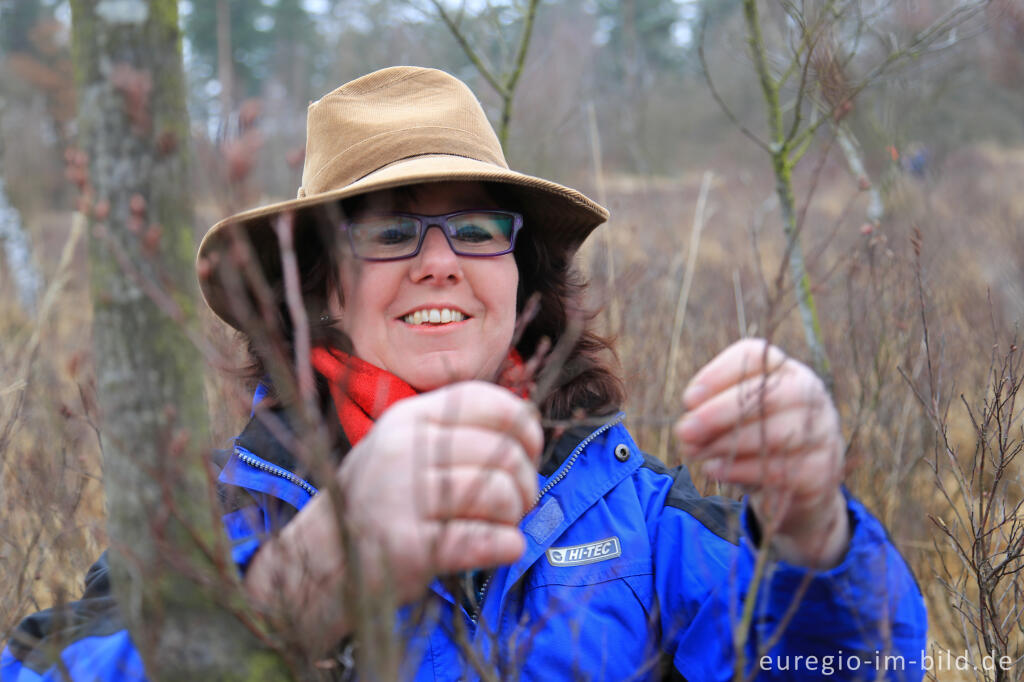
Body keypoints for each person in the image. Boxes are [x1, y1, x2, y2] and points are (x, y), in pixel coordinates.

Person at [2, 66, 926, 681]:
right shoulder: (211, 527)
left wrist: (814, 529)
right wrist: (301, 586)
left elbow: (850, 666)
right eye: (390, 228)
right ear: (321, 285)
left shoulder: (640, 518)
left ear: (521, 277)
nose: (440, 262)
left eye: (478, 227)